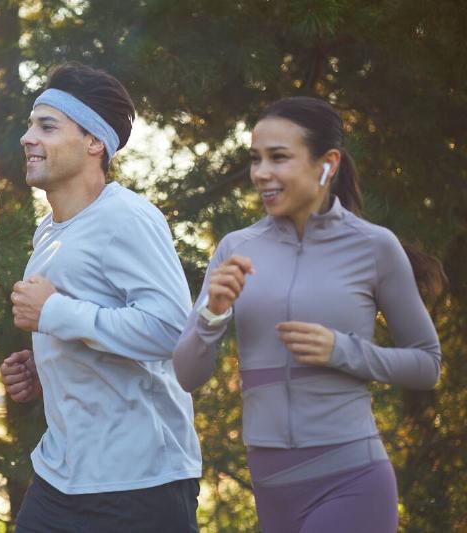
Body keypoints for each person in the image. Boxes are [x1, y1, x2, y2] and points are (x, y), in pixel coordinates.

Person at [173, 96, 444, 533]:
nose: (262, 173)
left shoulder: (374, 247)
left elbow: (427, 364)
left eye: (279, 158)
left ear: (327, 163)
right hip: (271, 487)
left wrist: (344, 350)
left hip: (351, 479)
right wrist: (213, 313)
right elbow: (186, 375)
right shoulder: (236, 249)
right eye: (256, 159)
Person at [0, 62, 202, 532]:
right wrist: (45, 368)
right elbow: (93, 327)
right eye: (31, 124)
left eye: (47, 126)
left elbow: (172, 330)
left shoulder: (128, 217)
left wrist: (55, 313)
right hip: (61, 476)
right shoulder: (47, 231)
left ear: (94, 142)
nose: (28, 137)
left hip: (140, 484)